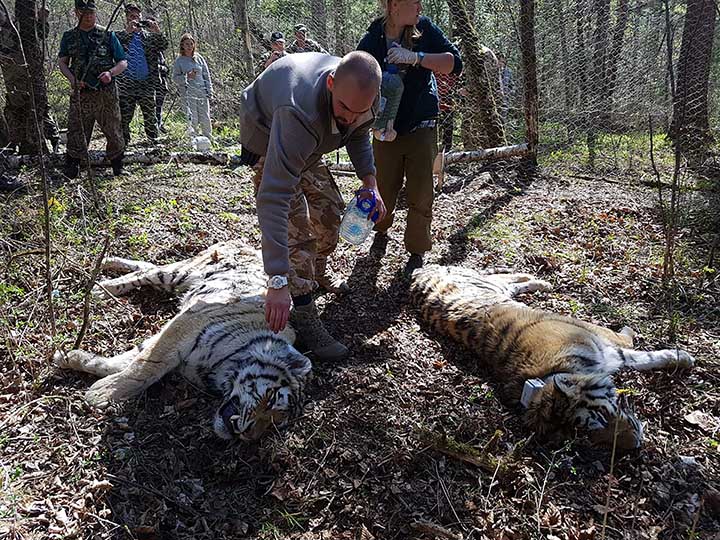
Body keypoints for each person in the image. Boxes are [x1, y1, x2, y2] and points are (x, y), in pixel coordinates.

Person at [239, 51, 386, 360]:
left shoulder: (361, 98)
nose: (349, 117)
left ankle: (315, 274)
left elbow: (357, 134)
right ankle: (303, 309)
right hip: (268, 133)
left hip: (310, 145)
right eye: (344, 108)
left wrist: (370, 182)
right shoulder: (298, 112)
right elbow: (274, 196)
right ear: (331, 83)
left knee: (331, 216)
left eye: (359, 111)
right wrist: (277, 279)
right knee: (300, 235)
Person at [357, 0, 462, 276]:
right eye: (412, 2)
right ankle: (380, 232)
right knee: (384, 187)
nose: (419, 6)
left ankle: (416, 252)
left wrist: (416, 58)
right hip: (384, 128)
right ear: (393, 5)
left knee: (420, 191)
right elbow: (357, 76)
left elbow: (454, 63)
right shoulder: (373, 38)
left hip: (421, 125)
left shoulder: (424, 29)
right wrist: (371, 121)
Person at [58, 0, 127, 178]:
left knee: (113, 128)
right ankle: (73, 164)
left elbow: (122, 62)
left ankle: (117, 164)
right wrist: (73, 80)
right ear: (76, 13)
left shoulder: (107, 34)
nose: (88, 16)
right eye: (84, 13)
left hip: (106, 92)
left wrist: (110, 73)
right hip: (81, 92)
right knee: (77, 129)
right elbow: (63, 63)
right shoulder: (69, 37)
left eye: (91, 13)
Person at [0, 5, 60, 154]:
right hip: (12, 77)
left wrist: (43, 19)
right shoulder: (3, 32)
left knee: (40, 107)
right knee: (14, 108)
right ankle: (15, 144)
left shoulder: (19, 24)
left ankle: (54, 141)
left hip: (30, 73)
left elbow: (41, 34)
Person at [116, 4, 168, 145]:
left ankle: (154, 142)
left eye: (138, 17)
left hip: (146, 84)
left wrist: (156, 30)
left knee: (150, 116)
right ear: (126, 18)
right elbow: (111, 46)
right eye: (132, 17)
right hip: (126, 85)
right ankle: (123, 144)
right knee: (124, 118)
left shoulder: (149, 37)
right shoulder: (121, 36)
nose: (135, 19)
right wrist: (128, 32)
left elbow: (163, 44)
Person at [172, 33, 213, 140]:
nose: (189, 46)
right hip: (188, 93)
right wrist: (187, 76)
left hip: (202, 91)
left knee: (205, 116)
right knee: (192, 117)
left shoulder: (199, 58)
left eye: (191, 44)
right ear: (182, 46)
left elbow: (206, 74)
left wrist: (209, 90)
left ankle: (208, 138)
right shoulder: (179, 61)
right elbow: (175, 78)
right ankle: (193, 140)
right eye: (187, 44)